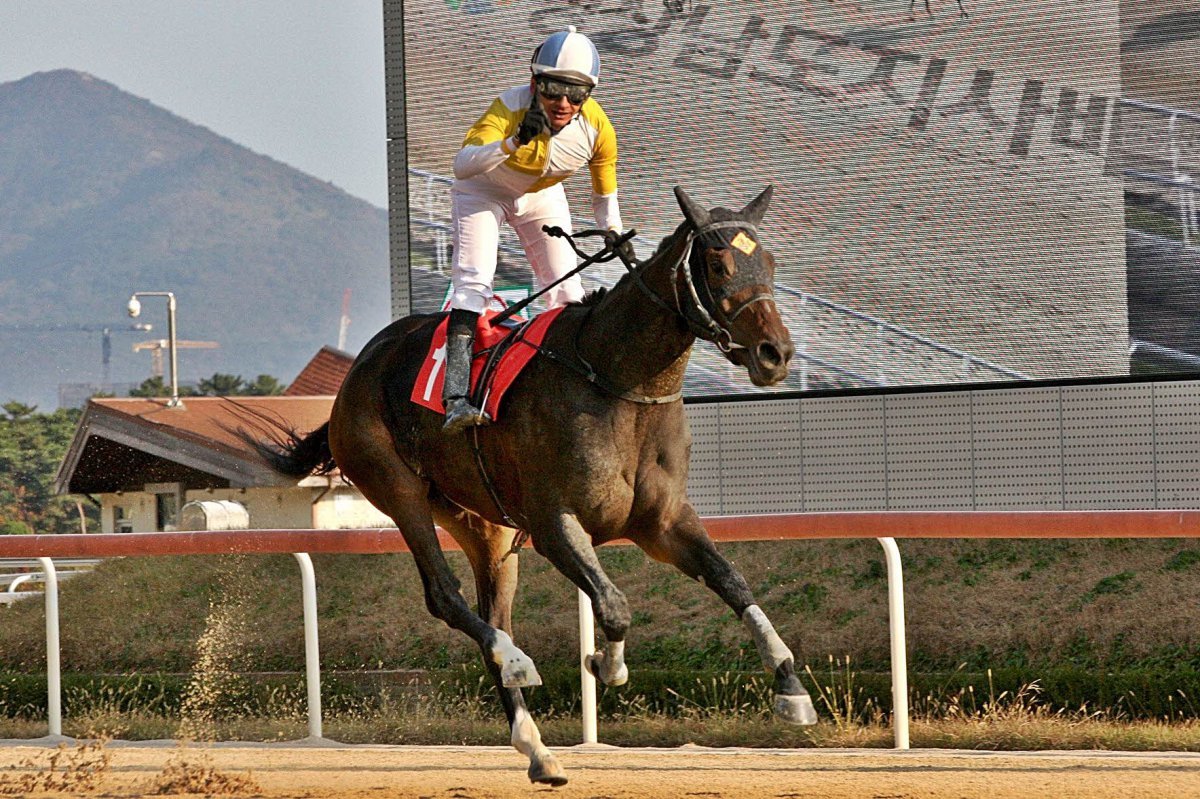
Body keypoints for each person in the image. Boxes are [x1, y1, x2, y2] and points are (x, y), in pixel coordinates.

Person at [442, 25, 631, 434]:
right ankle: (455, 398)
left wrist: (612, 230)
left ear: (589, 94)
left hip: (541, 196)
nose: (563, 103)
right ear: (534, 83)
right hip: (483, 192)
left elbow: (604, 190)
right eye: (552, 89)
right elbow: (462, 165)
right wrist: (511, 143)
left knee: (567, 291)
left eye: (576, 93)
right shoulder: (508, 107)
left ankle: (571, 387)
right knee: (473, 283)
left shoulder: (599, 128)